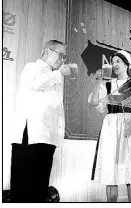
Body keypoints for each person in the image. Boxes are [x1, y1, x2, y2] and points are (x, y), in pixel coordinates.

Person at [10, 40, 71, 202]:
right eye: (60, 54)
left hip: (47, 138)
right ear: (46, 51)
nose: (62, 59)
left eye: (64, 57)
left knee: (39, 188)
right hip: (30, 136)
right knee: (23, 188)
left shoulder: (54, 76)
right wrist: (59, 74)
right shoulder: (32, 67)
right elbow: (36, 83)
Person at [88, 50, 131, 202]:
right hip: (111, 127)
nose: (114, 65)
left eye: (118, 61)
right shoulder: (107, 84)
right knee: (111, 172)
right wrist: (97, 83)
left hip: (129, 124)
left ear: (127, 64)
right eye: (112, 62)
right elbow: (94, 103)